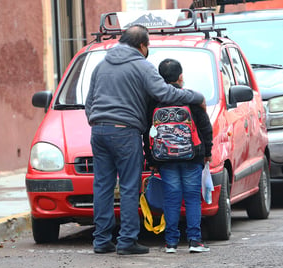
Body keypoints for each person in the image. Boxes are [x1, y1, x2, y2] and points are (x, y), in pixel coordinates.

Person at [85, 25, 206, 255]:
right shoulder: (142, 66)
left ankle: (101, 241)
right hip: (125, 132)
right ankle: (127, 241)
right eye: (147, 45)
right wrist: (195, 96)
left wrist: (96, 121)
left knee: (102, 185)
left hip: (98, 132)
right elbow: (166, 94)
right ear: (142, 45)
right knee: (130, 186)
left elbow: (89, 102)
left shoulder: (101, 65)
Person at [143, 58, 213, 253]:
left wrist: (151, 159)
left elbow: (147, 132)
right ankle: (194, 241)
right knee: (192, 197)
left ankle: (171, 243)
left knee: (171, 198)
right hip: (192, 157)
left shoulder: (154, 102)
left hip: (164, 158)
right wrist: (207, 152)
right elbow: (205, 128)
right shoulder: (191, 99)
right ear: (180, 77)